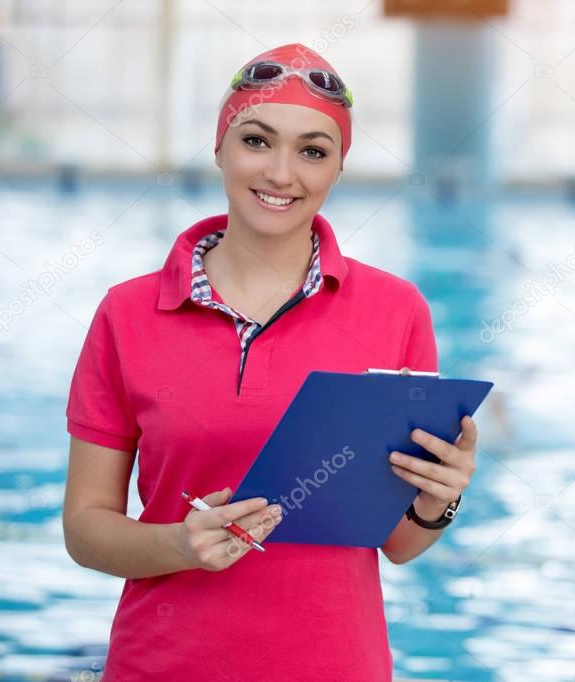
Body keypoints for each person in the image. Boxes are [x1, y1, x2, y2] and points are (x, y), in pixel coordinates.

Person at [61, 43, 479, 681]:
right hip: (163, 666)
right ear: (221, 148)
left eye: (313, 150)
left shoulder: (397, 312)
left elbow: (397, 545)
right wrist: (177, 544)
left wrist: (439, 500)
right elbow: (85, 529)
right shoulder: (128, 312)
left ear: (338, 168)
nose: (282, 174)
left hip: (335, 665)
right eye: (257, 141)